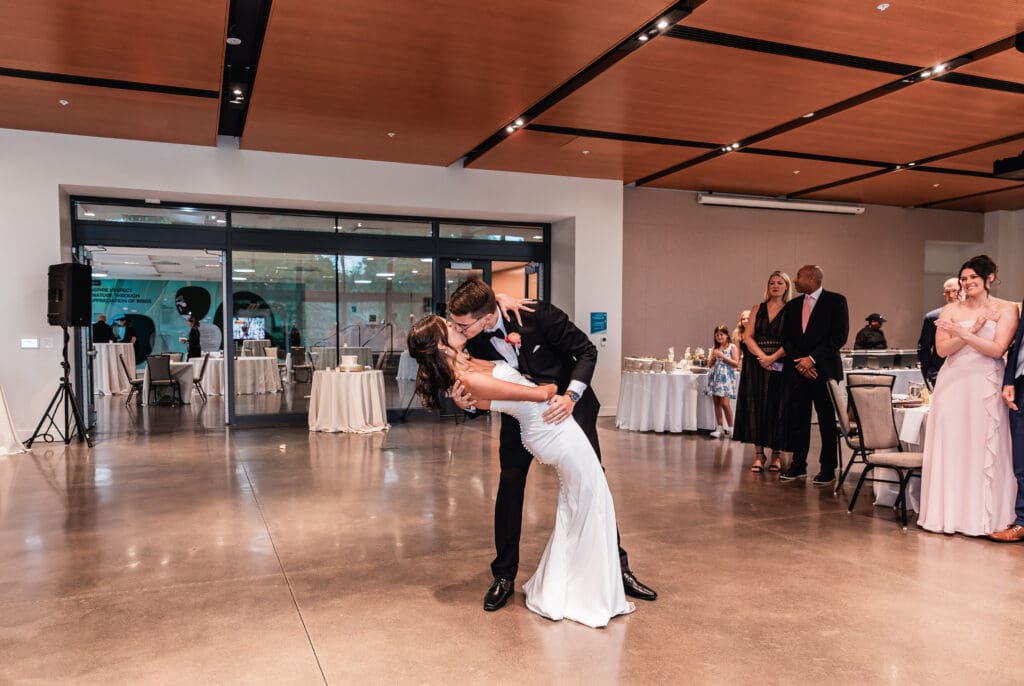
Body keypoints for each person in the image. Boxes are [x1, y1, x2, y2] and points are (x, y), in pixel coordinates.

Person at [407, 315, 634, 628]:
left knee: (584, 500)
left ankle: (587, 580)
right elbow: (541, 393)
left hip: (550, 426)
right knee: (589, 498)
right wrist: (552, 388)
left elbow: (491, 396)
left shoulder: (468, 356)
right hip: (550, 427)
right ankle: (578, 590)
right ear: (439, 344)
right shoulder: (465, 371)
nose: (456, 326)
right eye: (448, 326)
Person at [446, 278, 656, 613]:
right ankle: (504, 576)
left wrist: (571, 395)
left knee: (592, 481)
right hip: (520, 419)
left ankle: (619, 569)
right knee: (510, 484)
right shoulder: (471, 339)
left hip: (569, 410)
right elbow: (482, 392)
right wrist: (466, 405)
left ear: (487, 317)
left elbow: (587, 350)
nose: (457, 328)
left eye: (462, 323)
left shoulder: (536, 314)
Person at [918, 255, 1018, 536]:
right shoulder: (950, 311)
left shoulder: (1006, 309)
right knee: (954, 446)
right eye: (964, 278)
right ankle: (950, 515)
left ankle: (985, 517)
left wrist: (965, 335)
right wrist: (972, 329)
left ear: (989, 279)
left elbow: (997, 350)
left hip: (986, 383)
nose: (967, 282)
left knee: (985, 446)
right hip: (954, 384)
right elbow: (942, 351)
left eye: (973, 277)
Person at [779, 265, 849, 485]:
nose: (795, 280)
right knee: (798, 420)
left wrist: (813, 359)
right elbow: (786, 338)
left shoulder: (836, 301)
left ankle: (828, 468)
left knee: (827, 420)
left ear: (811, 278)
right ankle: (798, 465)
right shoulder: (792, 306)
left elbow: (839, 336)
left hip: (824, 370)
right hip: (798, 371)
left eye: (798, 276)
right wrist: (801, 362)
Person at [733, 271, 792, 473]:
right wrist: (762, 357)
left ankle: (776, 455)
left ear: (786, 287)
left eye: (779, 283)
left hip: (781, 361)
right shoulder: (757, 308)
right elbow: (747, 337)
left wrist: (772, 358)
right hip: (756, 363)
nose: (775, 286)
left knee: (778, 407)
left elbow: (793, 341)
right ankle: (759, 455)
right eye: (771, 283)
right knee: (755, 406)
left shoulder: (791, 310)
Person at [990, 294, 1024, 542]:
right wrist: (1009, 379)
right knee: (1021, 459)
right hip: (1021, 385)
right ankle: (1022, 521)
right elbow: (1018, 343)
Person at [918, 278, 961, 387]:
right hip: (940, 373)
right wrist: (930, 373)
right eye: (947, 292)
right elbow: (924, 348)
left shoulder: (975, 315)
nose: (951, 295)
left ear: (963, 290)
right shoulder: (933, 317)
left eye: (955, 291)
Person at [705, 325, 739, 438]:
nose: (719, 337)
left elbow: (736, 363)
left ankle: (732, 429)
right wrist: (713, 358)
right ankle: (719, 428)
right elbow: (709, 365)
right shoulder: (715, 348)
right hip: (715, 378)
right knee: (717, 403)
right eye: (717, 335)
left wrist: (723, 356)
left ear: (726, 335)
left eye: (721, 334)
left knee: (725, 404)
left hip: (727, 378)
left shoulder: (732, 347)